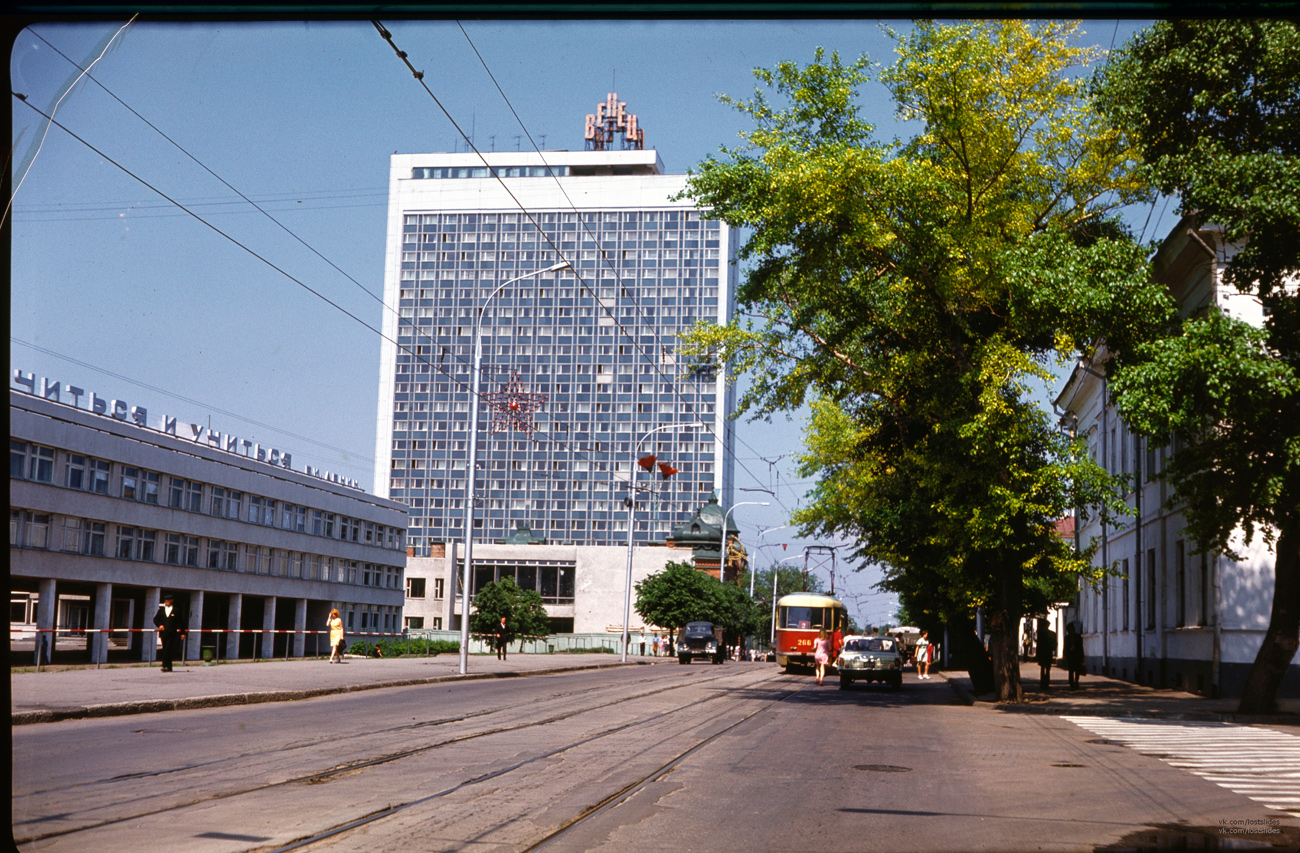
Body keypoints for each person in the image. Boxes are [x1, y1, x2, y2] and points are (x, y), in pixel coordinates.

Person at [152, 593, 186, 673]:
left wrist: (182, 633)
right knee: (165, 649)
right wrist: (159, 625)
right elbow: (155, 619)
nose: (167, 601)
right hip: (163, 633)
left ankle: (165, 665)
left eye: (168, 600)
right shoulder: (161, 610)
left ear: (172, 600)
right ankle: (168, 666)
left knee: (168, 648)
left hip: (172, 633)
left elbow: (181, 622)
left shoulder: (176, 610)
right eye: (166, 600)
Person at [1037, 619, 1057, 690]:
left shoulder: (1043, 634)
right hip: (1046, 653)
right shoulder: (1050, 634)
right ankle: (1044, 683)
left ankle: (1044, 683)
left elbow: (1055, 644)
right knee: (1045, 669)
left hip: (1046, 653)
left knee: (1046, 669)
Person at [1064, 622, 1085, 690]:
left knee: (1076, 670)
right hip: (1071, 656)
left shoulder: (1078, 637)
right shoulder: (1067, 638)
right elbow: (1065, 647)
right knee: (1071, 670)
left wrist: (1082, 656)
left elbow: (1081, 647)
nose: (1069, 631)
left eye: (1070, 629)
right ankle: (1072, 683)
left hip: (1076, 655)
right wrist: (1064, 654)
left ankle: (1075, 682)